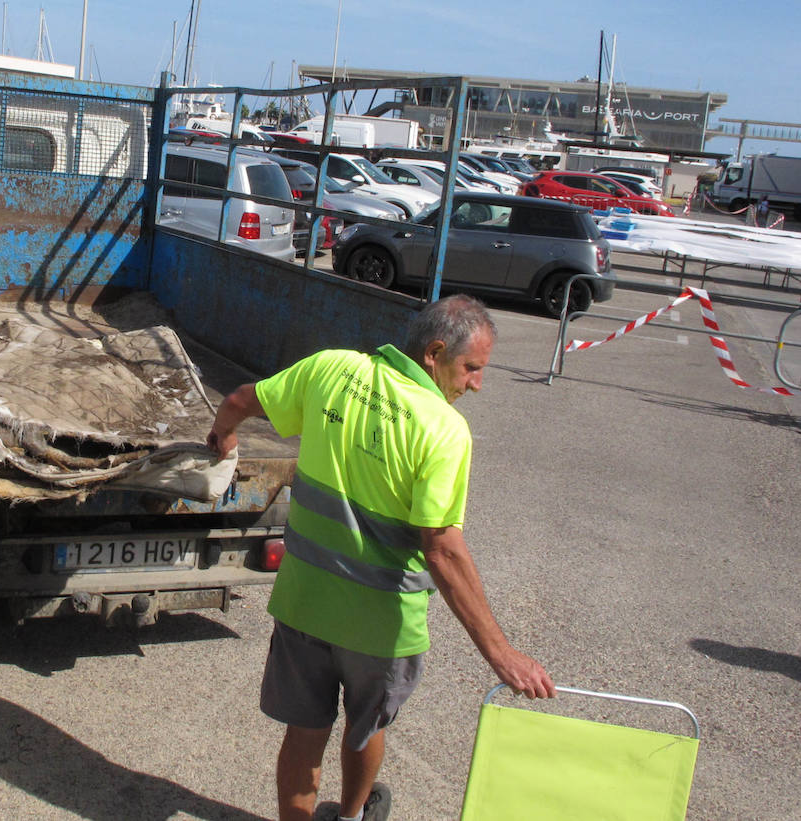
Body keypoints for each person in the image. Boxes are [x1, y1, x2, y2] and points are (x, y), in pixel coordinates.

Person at [206, 295, 554, 821]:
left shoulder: (331, 368)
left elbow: (239, 398)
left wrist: (224, 435)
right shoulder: (443, 429)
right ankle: (352, 816)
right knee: (365, 726)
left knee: (304, 732)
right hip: (381, 626)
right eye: (472, 368)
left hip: (304, 603)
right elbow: (442, 548)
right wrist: (501, 654)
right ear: (435, 353)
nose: (478, 384)